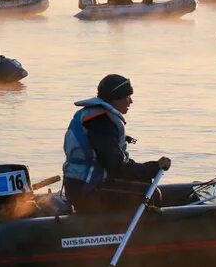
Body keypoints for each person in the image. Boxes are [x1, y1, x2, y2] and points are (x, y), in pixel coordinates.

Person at [62, 74, 171, 213]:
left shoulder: (96, 117)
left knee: (143, 182)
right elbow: (115, 167)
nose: (131, 101)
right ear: (115, 97)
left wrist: (147, 170)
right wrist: (153, 167)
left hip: (78, 186)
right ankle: (140, 230)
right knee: (152, 193)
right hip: (89, 191)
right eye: (127, 96)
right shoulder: (102, 122)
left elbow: (113, 161)